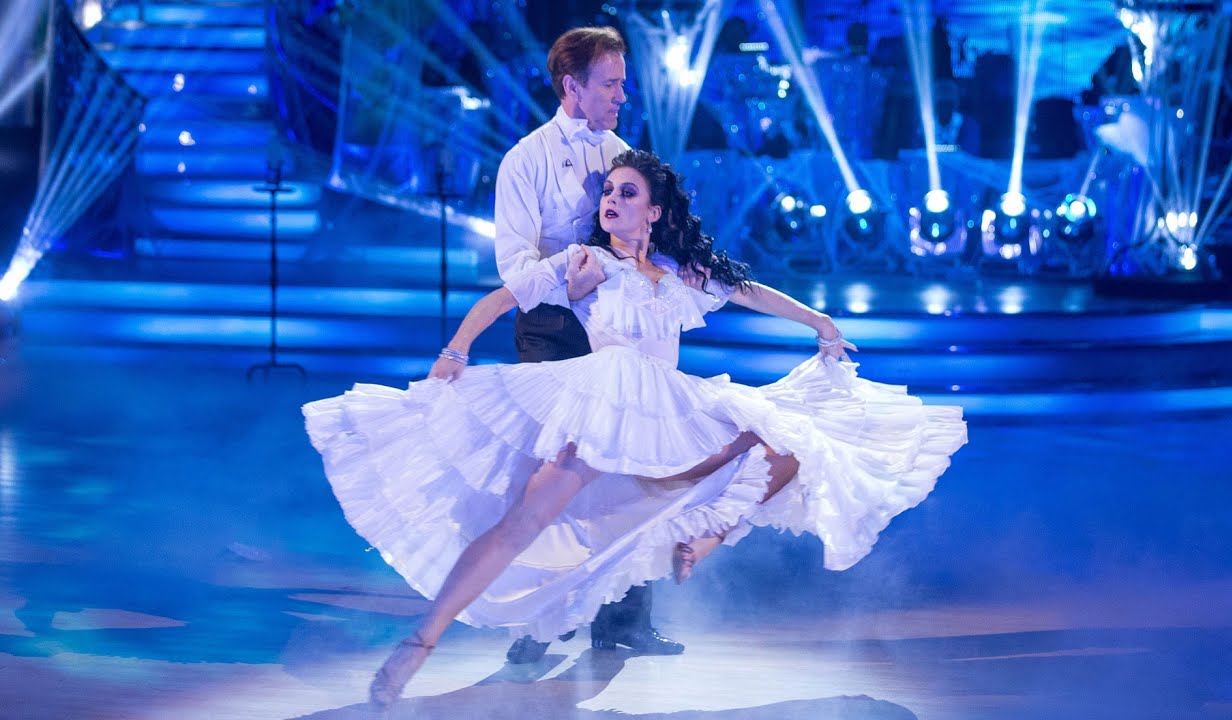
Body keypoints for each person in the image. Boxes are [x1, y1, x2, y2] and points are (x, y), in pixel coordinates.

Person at [302, 150, 968, 708]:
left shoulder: (680, 274)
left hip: (668, 409)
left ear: (654, 211)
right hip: (601, 401)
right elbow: (504, 297)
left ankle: (704, 537)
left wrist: (820, 323)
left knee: (789, 441)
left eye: (627, 193)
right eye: (607, 193)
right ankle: (419, 641)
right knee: (522, 523)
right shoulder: (587, 262)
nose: (611, 201)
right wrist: (456, 349)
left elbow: (751, 291)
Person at [492, 25, 683, 663]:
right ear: (572, 86)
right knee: (556, 477)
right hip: (552, 330)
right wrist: (575, 274)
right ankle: (540, 621)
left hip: (618, 330)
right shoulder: (525, 160)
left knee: (630, 471)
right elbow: (515, 269)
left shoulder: (622, 152)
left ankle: (624, 619)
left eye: (623, 84)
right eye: (611, 84)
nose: (622, 96)